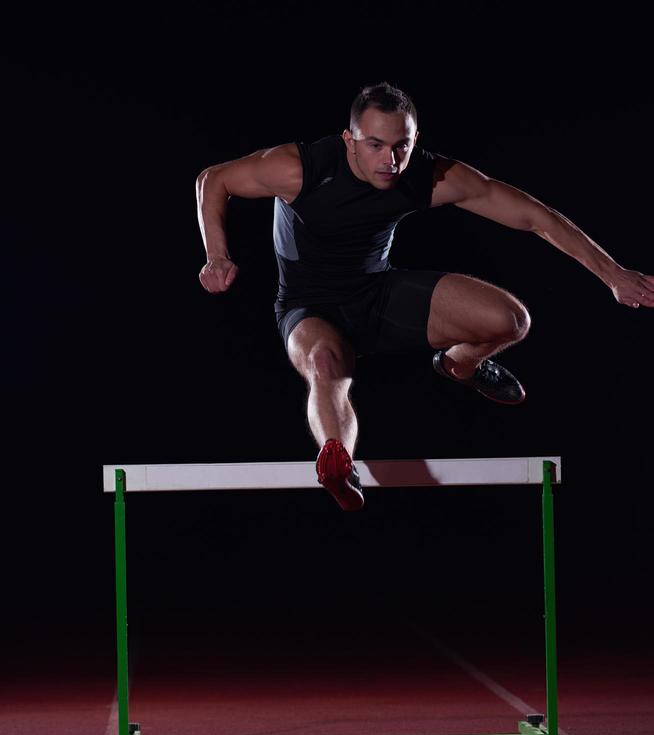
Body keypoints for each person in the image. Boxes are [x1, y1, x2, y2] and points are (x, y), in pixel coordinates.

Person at [196, 81, 652, 512]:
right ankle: (337, 463)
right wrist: (217, 256)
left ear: (415, 140)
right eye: (374, 145)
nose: (389, 160)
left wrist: (613, 275)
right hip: (308, 307)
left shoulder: (428, 175)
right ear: (349, 139)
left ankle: (461, 365)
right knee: (323, 364)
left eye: (401, 146)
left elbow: (535, 216)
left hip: (377, 294)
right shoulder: (299, 167)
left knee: (511, 320)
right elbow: (213, 179)